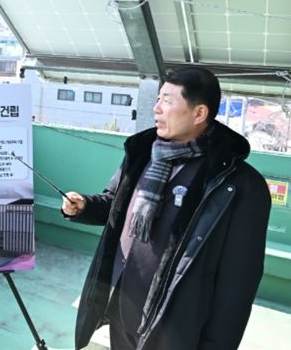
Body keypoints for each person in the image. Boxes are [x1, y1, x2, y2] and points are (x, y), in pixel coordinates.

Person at [61, 67, 271, 350]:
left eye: (168, 101)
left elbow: (237, 284)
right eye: (158, 98)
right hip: (121, 305)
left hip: (172, 328)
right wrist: (84, 206)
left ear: (199, 113)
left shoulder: (239, 184)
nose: (156, 108)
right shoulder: (143, 154)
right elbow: (116, 204)